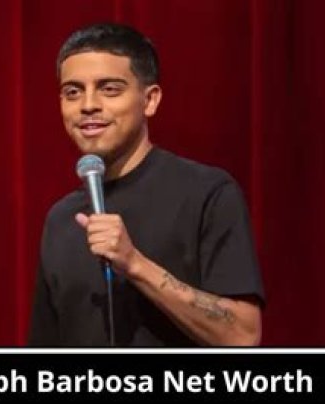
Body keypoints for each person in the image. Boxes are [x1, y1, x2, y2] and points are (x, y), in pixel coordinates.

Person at [29, 23, 264, 346]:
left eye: (109, 89)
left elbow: (243, 334)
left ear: (150, 100)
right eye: (73, 92)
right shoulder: (61, 219)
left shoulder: (206, 193)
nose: (88, 105)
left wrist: (134, 264)